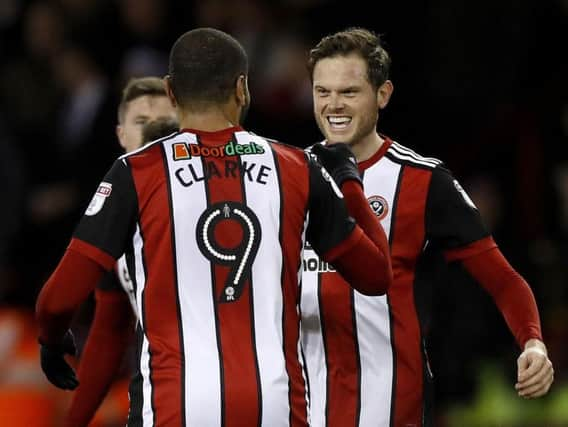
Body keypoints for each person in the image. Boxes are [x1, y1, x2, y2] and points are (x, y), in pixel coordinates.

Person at [36, 27, 393, 426]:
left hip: (174, 405)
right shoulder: (296, 168)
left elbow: (57, 299)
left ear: (171, 93)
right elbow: (377, 275)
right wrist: (350, 184)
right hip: (274, 406)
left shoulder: (134, 172)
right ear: (242, 89)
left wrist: (51, 339)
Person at [300, 27, 554, 427]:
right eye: (322, 92)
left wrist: (533, 342)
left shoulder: (422, 180)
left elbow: (502, 279)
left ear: (382, 94)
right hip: (297, 405)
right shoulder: (282, 176)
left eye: (349, 92)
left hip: (388, 404)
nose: (334, 105)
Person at [63, 77, 179, 427]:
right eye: (143, 123)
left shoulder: (217, 203)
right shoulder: (117, 217)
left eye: (167, 124)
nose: (155, 132)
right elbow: (110, 329)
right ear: (121, 135)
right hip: (155, 396)